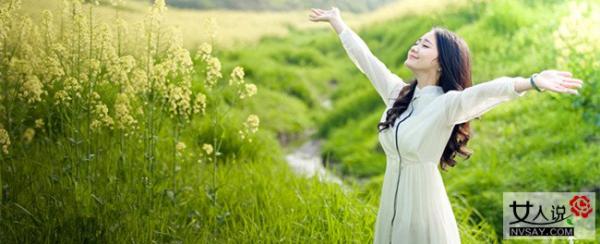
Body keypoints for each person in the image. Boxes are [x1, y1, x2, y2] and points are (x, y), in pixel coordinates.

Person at [309, 6, 583, 244]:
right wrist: (338, 23)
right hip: (391, 210)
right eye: (416, 42)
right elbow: (367, 61)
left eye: (425, 45)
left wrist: (532, 82)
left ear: (441, 63)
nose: (415, 47)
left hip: (423, 212)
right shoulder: (398, 94)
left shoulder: (447, 104)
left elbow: (488, 91)